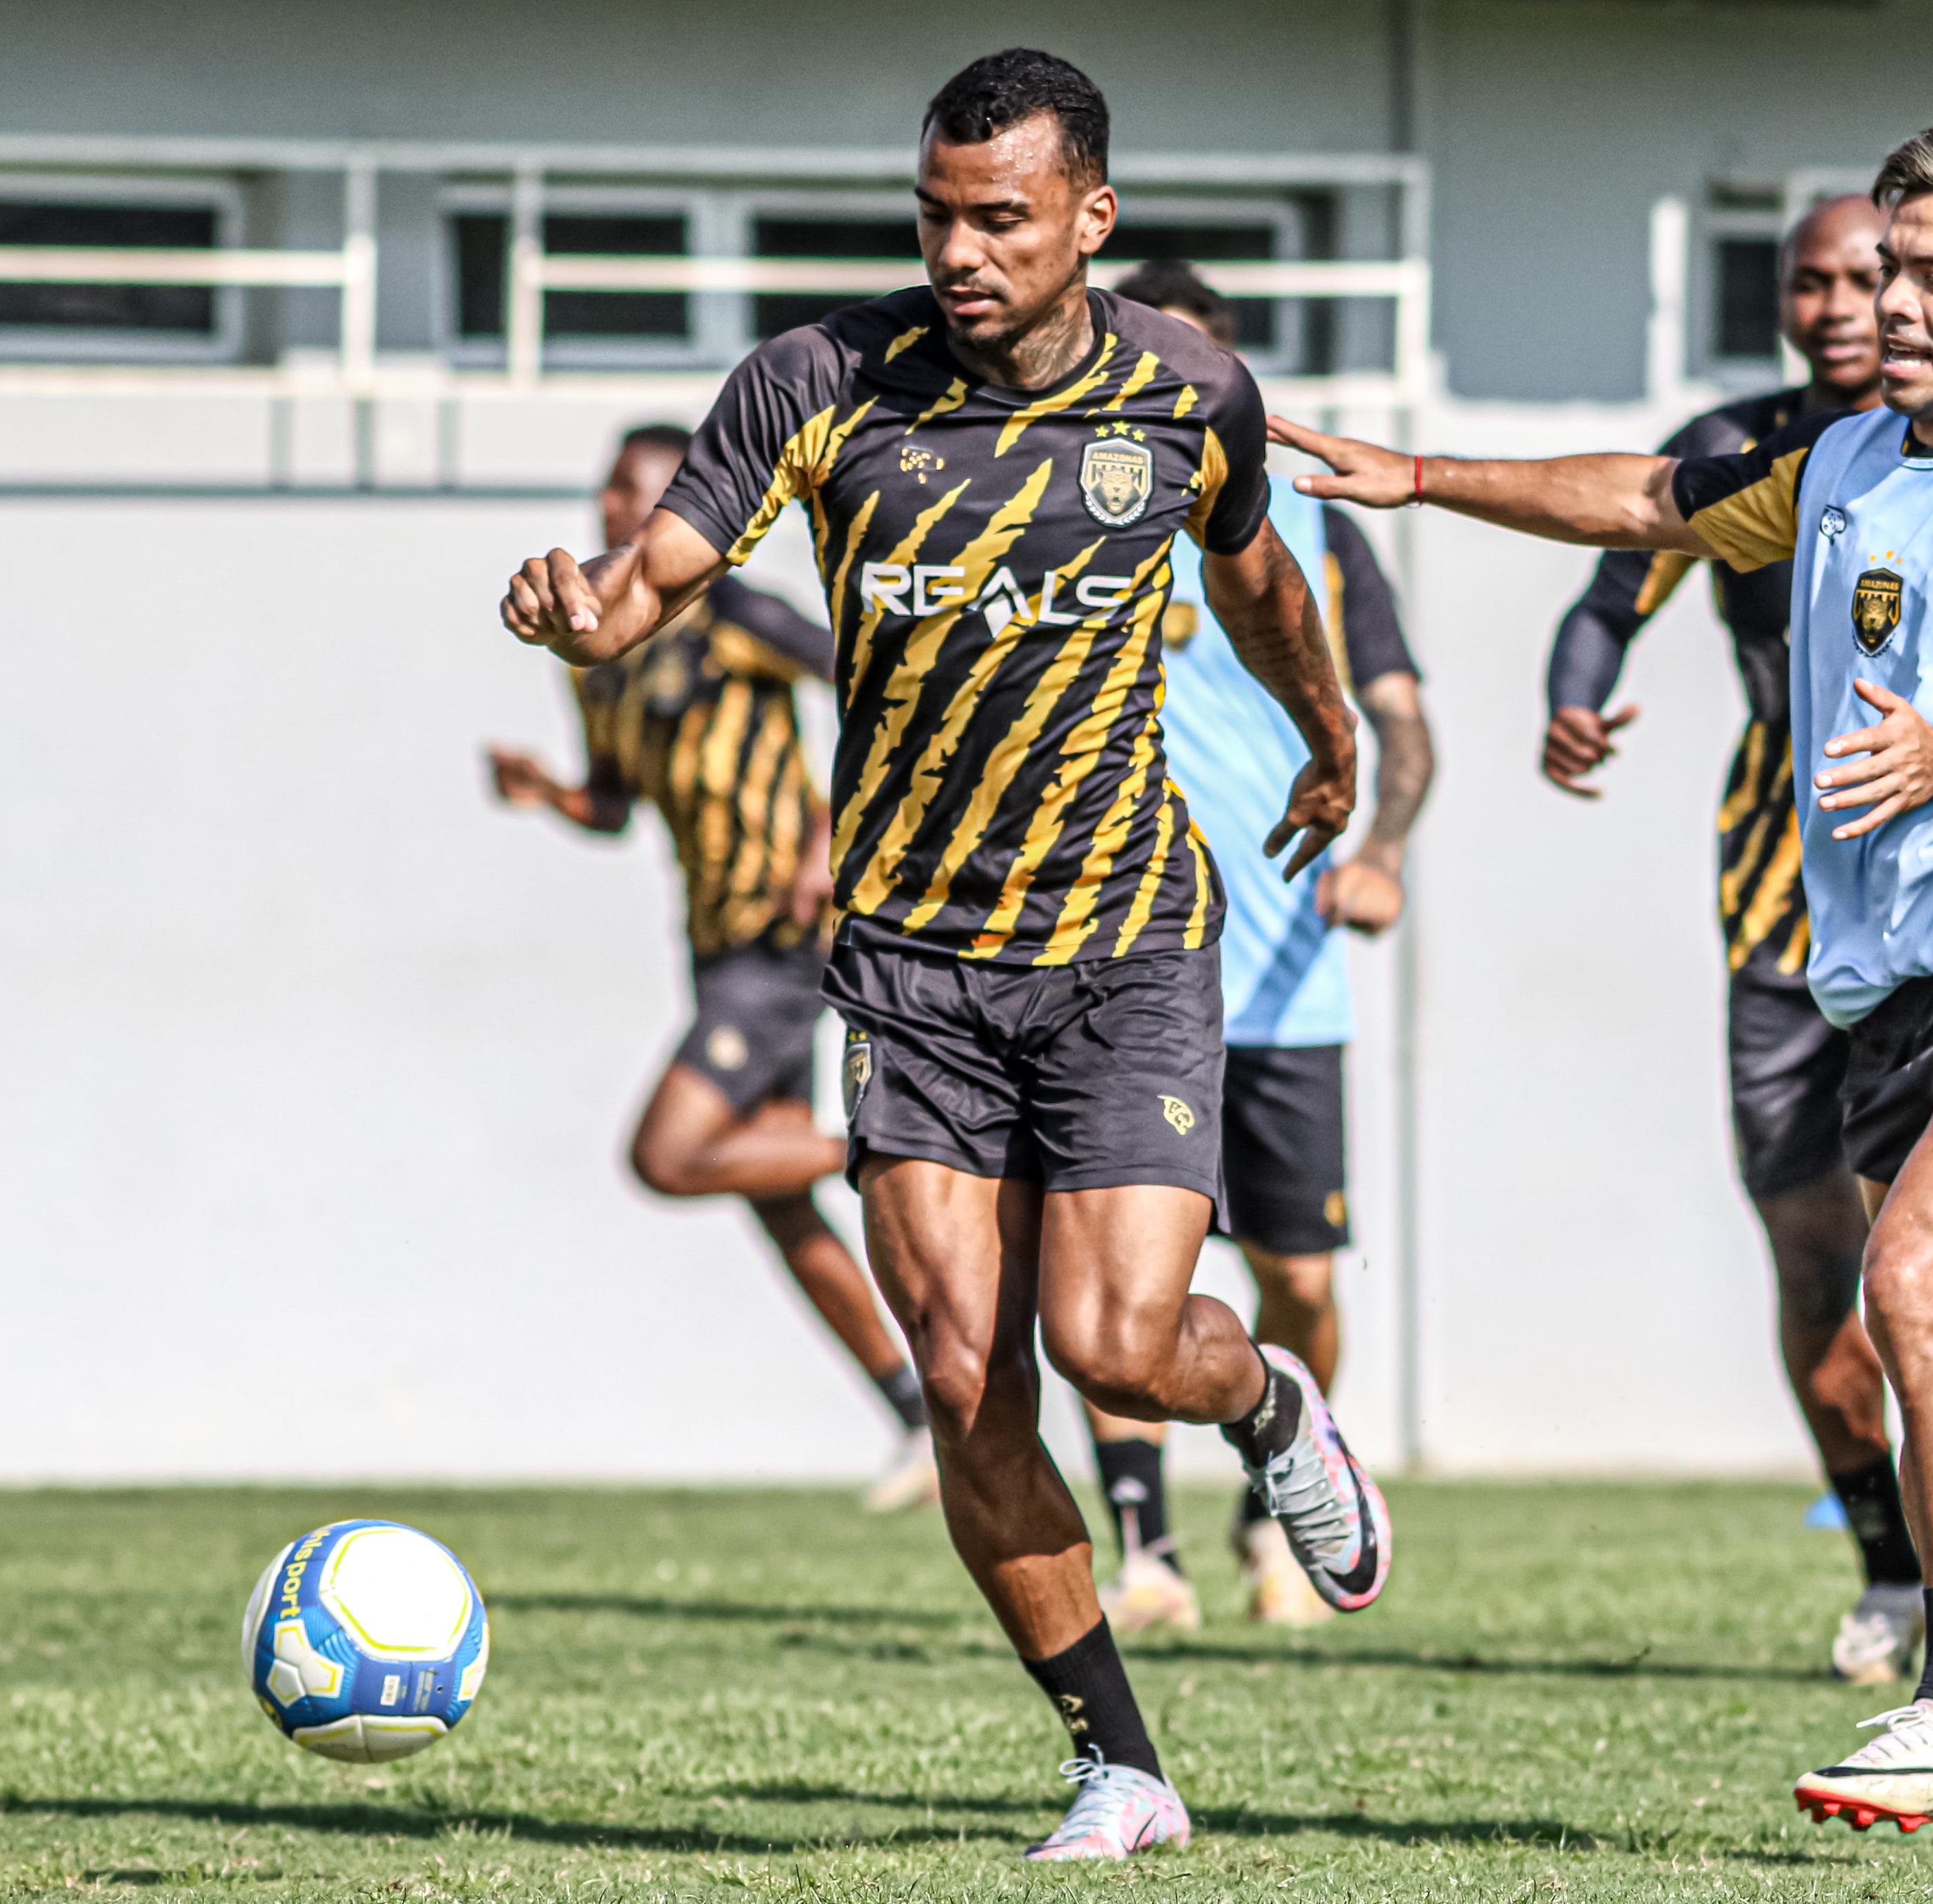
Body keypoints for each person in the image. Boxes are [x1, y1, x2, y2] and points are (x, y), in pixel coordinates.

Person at [497, 50, 1391, 1864]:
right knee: (972, 1374)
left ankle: (1271, 1397)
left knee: (1121, 1347)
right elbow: (667, 563)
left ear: (1089, 218)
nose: (963, 249)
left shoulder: (1186, 384)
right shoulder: (822, 379)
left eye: (1001, 216)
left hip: (1126, 937)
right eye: (937, 214)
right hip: (910, 958)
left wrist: (1328, 736)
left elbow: (1262, 579)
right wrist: (589, 616)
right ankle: (1120, 1764)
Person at [1274, 120, 1933, 1855]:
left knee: (1910, 1277)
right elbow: (1645, 499)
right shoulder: (1844, 459)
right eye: (1878, 270)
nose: (1888, 301)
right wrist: (1414, 479)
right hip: (1895, 993)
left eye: (1932, 275)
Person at [1540, 196, 1928, 1683]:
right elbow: (1610, 589)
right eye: (1807, 281)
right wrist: (1573, 695)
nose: (1833, 304)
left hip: (1932, 915)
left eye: (1863, 278)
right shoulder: (1740, 443)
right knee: (1813, 1267)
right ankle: (1884, 1563)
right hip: (1774, 908)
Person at [1073, 260, 1435, 1636]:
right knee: (1114, 1272)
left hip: (1284, 966)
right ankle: (1142, 1551)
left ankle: (1277, 1495)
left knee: (1294, 1277)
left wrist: (1385, 849)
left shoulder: (1313, 537)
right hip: (1111, 955)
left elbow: (1403, 728)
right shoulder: (1071, 507)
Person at [487, 423, 935, 1513]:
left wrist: (831, 840)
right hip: (714, 943)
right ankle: (925, 1415)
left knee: (673, 1150)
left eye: (634, 489)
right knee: (771, 1196)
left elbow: (869, 680)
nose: (609, 507)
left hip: (784, 941)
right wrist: (550, 793)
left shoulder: (728, 611)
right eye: (604, 486)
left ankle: (910, 1151)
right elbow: (617, 802)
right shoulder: (597, 661)